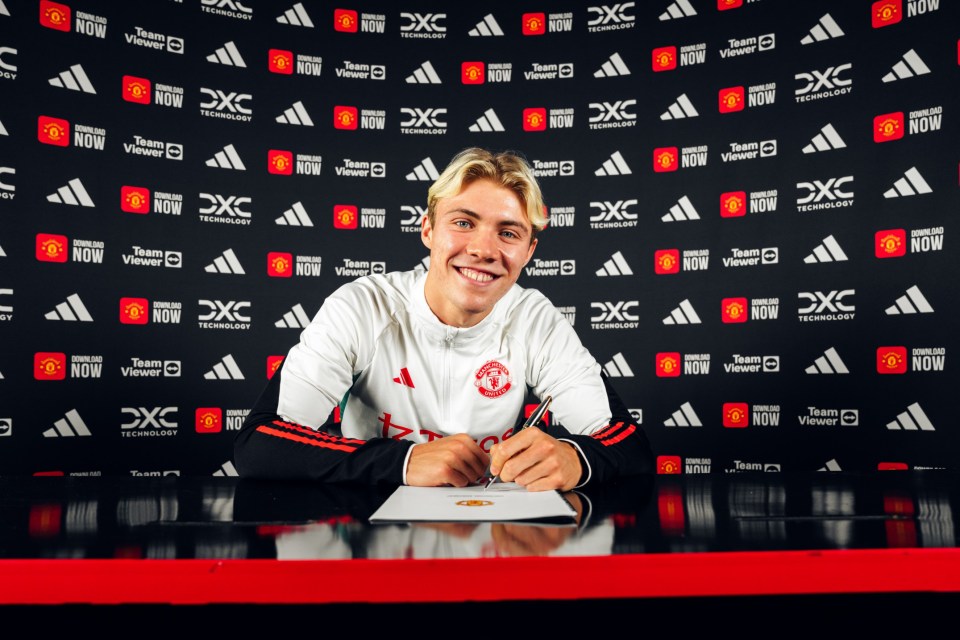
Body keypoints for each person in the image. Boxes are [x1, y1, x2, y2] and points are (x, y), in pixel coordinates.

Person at [234, 148, 653, 490]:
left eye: (508, 233)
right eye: (463, 223)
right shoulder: (364, 305)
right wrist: (403, 462)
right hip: (371, 532)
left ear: (528, 252)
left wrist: (576, 459)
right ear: (428, 230)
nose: (483, 249)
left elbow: (627, 445)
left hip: (494, 535)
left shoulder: (534, 318)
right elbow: (262, 444)